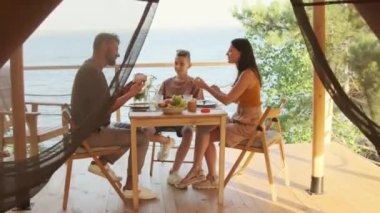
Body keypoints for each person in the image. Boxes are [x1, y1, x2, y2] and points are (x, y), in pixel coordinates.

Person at [71, 33, 156, 199]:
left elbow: (107, 100)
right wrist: (131, 93)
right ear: (104, 46)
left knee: (135, 130)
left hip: (90, 131)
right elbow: (108, 108)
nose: (118, 54)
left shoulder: (91, 69)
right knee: (142, 136)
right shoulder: (91, 73)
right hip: (90, 136)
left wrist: (130, 87)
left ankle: (101, 162)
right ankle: (131, 188)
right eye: (116, 49)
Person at [177, 38, 262, 189]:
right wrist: (217, 91)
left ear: (241, 53)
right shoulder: (246, 73)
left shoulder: (247, 74)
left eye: (230, 51)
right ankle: (209, 177)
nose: (227, 53)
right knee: (205, 128)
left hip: (246, 127)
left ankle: (200, 172)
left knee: (204, 131)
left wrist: (206, 87)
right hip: (241, 121)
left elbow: (228, 101)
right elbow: (235, 100)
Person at [149, 49, 204, 188]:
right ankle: (166, 141)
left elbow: (199, 106)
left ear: (189, 65)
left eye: (182, 63)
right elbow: (157, 102)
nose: (178, 66)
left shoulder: (194, 84)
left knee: (189, 132)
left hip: (184, 121)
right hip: (163, 119)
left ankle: (174, 171)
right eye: (176, 63)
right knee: (144, 131)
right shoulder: (166, 83)